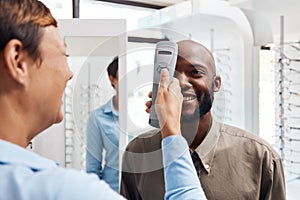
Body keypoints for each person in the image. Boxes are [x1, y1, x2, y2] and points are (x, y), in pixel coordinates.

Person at [0, 0, 206, 199]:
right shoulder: (66, 191)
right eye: (64, 55)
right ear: (17, 60)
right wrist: (172, 130)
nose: (69, 73)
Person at [120, 40, 286, 200]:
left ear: (216, 84)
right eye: (173, 74)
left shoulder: (261, 157)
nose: (182, 82)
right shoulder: (137, 152)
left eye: (195, 73)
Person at [86, 57, 120, 192]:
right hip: (112, 192)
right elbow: (93, 168)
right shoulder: (98, 117)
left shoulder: (144, 114)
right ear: (113, 79)